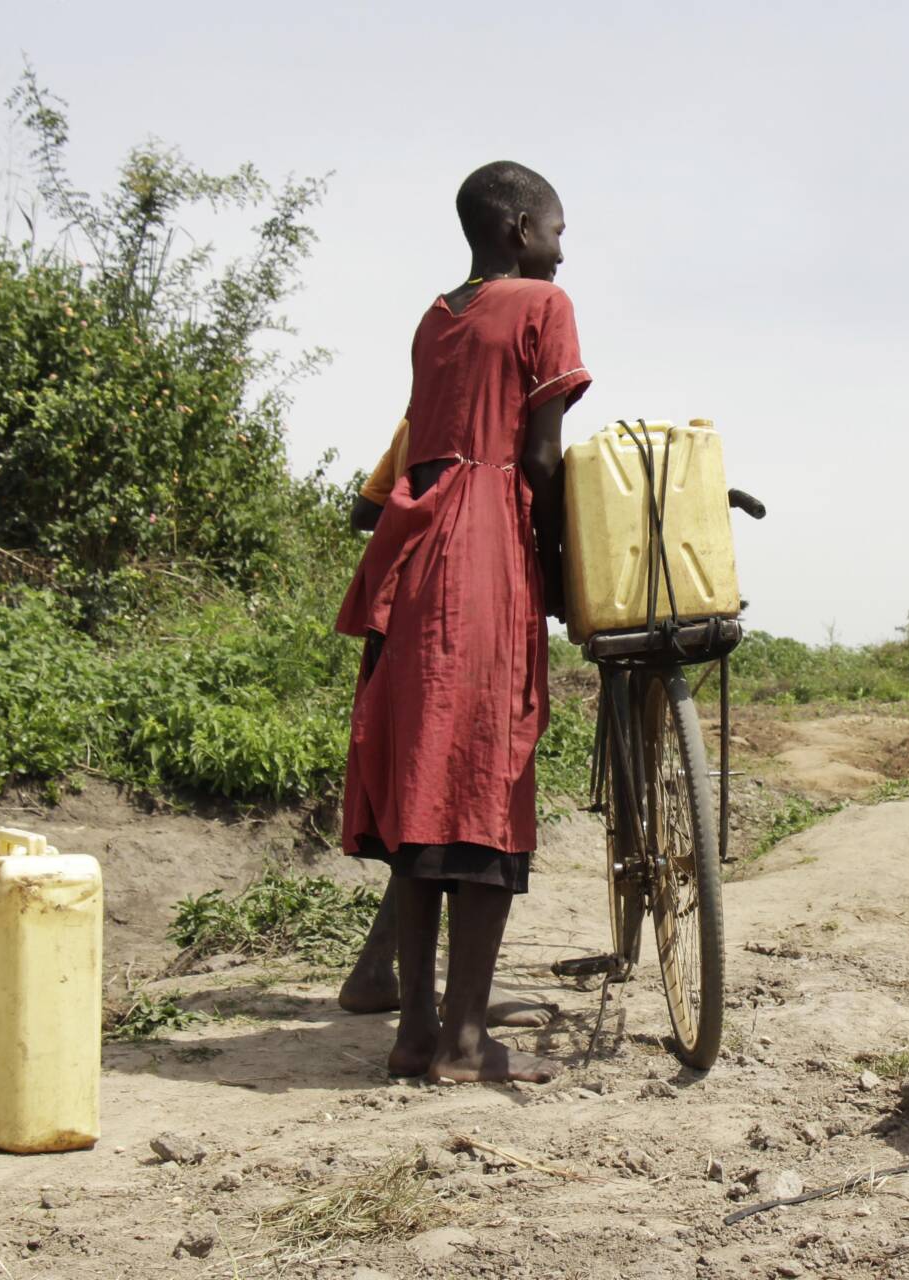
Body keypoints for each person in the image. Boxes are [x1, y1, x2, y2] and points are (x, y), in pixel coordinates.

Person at [334, 160, 588, 1082]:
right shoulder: (540, 305)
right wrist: (563, 574)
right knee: (485, 776)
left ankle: (413, 1034)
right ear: (520, 228)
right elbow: (544, 458)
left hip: (412, 550)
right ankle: (469, 1045)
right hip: (486, 548)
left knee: (423, 784)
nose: (564, 249)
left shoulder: (434, 316)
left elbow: (424, 439)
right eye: (559, 230)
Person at [337, 417, 554, 1031]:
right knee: (467, 797)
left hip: (401, 607)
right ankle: (456, 1013)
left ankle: (382, 972)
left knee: (430, 800)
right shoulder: (507, 435)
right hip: (453, 611)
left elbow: (366, 510)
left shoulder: (419, 424)